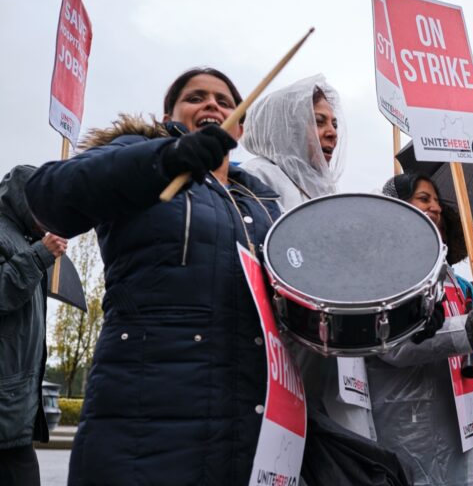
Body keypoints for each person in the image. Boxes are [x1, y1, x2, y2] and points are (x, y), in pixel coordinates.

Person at [26, 67, 282, 485]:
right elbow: (49, 196)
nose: (212, 105)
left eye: (224, 100)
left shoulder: (260, 199)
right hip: (143, 423)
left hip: (247, 424)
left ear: (240, 126)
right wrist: (166, 159)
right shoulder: (139, 156)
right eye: (196, 97)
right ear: (169, 118)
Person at [238, 74, 376, 441]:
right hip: (284, 363)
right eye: (318, 121)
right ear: (287, 125)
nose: (332, 132)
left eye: (334, 122)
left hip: (331, 367)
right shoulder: (258, 179)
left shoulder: (323, 193)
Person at [368, 172, 473, 486]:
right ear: (398, 206)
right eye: (424, 198)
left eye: (437, 200)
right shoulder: (385, 266)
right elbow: (392, 343)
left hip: (457, 425)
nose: (436, 207)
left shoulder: (449, 276)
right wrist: (465, 331)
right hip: (409, 424)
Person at [0, 166, 66, 486]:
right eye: (46, 205)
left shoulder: (24, 240)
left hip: (13, 413)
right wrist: (39, 257)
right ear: (25, 201)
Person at [241, 73, 344, 211]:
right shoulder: (256, 175)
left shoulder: (322, 189)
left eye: (334, 125)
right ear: (288, 128)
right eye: (319, 121)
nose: (333, 133)